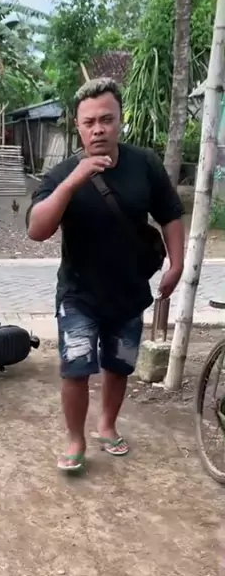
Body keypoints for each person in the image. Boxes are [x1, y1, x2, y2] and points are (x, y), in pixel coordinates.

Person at [26, 77, 185, 473]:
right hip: (79, 293)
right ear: (78, 127)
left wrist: (177, 264)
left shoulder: (144, 164)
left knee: (119, 365)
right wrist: (74, 181)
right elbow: (37, 229)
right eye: (89, 122)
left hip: (129, 291)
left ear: (119, 120)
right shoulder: (61, 173)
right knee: (76, 368)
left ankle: (107, 425)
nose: (98, 129)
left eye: (106, 119)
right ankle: (75, 438)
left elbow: (170, 214)